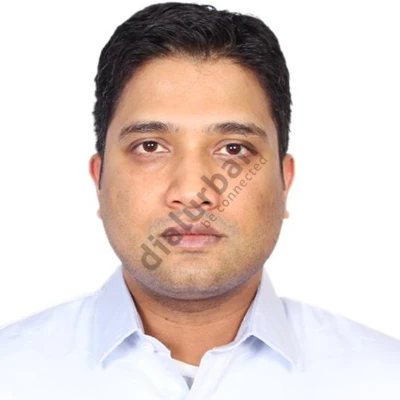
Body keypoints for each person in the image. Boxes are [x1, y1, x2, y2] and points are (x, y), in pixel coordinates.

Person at [1, 2, 399, 399]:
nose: (193, 193)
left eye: (233, 149)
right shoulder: (12, 373)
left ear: (285, 182)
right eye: (150, 146)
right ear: (98, 180)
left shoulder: (383, 379)